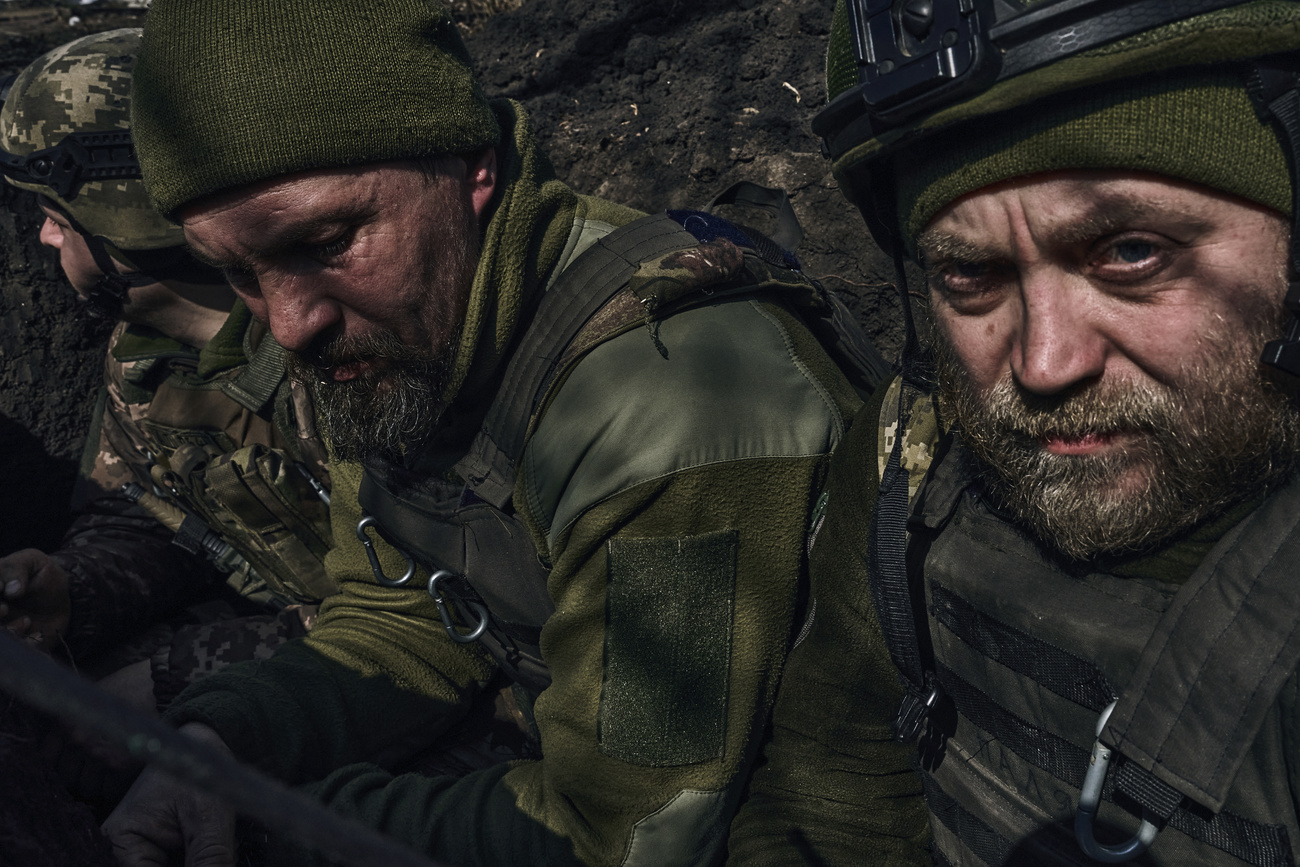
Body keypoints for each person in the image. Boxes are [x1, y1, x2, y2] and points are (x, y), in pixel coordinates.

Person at [100, 0, 875, 864]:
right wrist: (225, 744)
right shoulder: (400, 342)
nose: (287, 325)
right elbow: (402, 606)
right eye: (236, 272)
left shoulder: (675, 402)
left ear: (474, 170)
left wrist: (276, 822)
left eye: (327, 240)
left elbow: (627, 835)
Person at [726, 1, 1300, 865]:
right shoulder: (910, 461)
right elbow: (827, 797)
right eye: (969, 272)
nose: (1044, 362)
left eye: (1132, 253)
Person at [0, 29, 335, 723]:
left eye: (59, 219)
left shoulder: (337, 351)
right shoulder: (142, 359)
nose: (44, 238)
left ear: (122, 233)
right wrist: (75, 588)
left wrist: (170, 675)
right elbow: (151, 513)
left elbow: (426, 617)